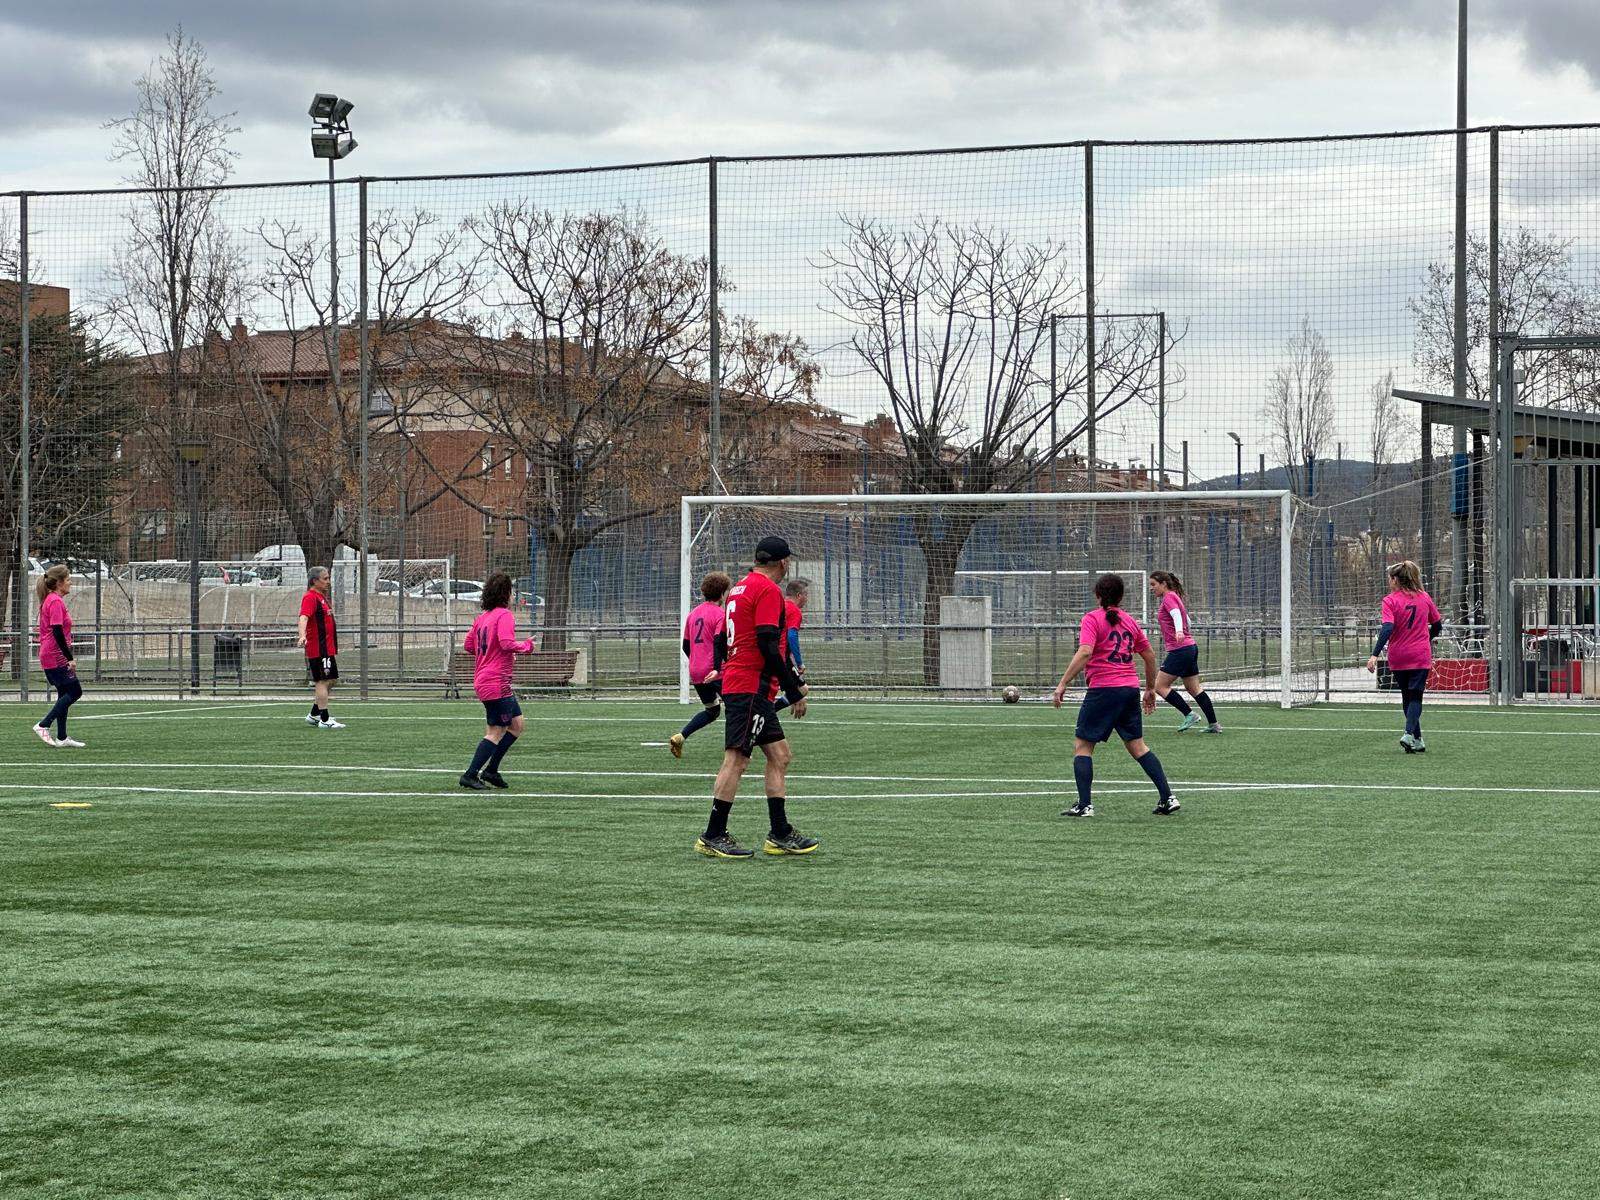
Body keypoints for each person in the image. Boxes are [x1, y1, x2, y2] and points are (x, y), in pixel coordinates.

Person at [695, 536, 817, 859]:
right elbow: (767, 643)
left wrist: (727, 668)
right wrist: (793, 689)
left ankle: (779, 832)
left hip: (749, 685)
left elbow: (722, 639)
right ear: (783, 562)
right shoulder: (767, 590)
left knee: (780, 755)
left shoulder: (738, 587)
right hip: (750, 686)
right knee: (737, 759)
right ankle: (713, 834)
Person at [1052, 573, 1180, 818]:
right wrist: (1150, 688)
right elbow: (1150, 655)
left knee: (1083, 746)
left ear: (1098, 596)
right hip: (1129, 689)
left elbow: (1085, 651)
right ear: (1120, 597)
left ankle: (1085, 805)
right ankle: (1168, 797)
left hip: (1104, 689)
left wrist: (1062, 683)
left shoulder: (1092, 618)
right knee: (1138, 747)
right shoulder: (1129, 620)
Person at [458, 573, 535, 790]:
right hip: (496, 681)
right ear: (505, 593)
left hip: (486, 679)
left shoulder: (482, 617)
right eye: (511, 591)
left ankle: (491, 771)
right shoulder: (505, 615)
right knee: (496, 731)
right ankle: (470, 775)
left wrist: (489, 653)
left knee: (517, 725)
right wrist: (526, 646)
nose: (513, 595)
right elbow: (507, 643)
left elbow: (469, 645)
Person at [1366, 560, 1443, 753]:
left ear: (1395, 580)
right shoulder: (1424, 597)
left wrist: (1374, 654)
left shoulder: (1390, 600)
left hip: (1399, 655)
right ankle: (1410, 735)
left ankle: (1416, 738)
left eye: (1390, 579)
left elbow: (1387, 627)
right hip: (1420, 655)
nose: (1389, 582)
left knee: (1407, 697)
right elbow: (1437, 625)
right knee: (1415, 696)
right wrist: (1425, 639)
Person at [1149, 571, 1221, 733]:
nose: (1151, 588)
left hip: (1180, 649)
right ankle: (1214, 725)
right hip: (1189, 647)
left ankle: (1189, 714)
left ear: (1163, 584)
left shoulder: (1169, 597)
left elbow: (1176, 615)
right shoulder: (1175, 597)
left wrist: (1180, 632)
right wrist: (1184, 631)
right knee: (1194, 688)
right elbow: (1186, 619)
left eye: (1153, 584)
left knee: (1160, 686)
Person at [670, 572, 732, 758]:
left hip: (696, 671)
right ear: (722, 593)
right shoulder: (720, 614)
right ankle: (735, 749)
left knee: (712, 710)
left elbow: (685, 645)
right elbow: (718, 642)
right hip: (716, 671)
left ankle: (681, 736)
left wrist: (698, 661)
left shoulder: (693, 614)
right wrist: (716, 667)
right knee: (735, 708)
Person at [32, 565, 85, 748]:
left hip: (52, 654)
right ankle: (43, 724)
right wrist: (69, 657)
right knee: (75, 692)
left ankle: (62, 738)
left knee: (64, 694)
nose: (71, 582)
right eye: (68, 579)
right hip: (55, 655)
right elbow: (57, 632)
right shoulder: (54, 601)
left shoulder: (53, 600)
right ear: (59, 583)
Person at [297, 566, 343, 729]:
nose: (328, 582)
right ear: (315, 581)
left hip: (327, 648)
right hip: (319, 648)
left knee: (331, 680)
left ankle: (314, 714)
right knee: (322, 681)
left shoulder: (321, 596)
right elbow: (303, 618)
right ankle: (324, 719)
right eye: (325, 578)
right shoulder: (310, 597)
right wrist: (302, 635)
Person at [773, 578, 809, 713]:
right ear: (799, 595)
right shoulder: (794, 610)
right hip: (781, 656)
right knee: (802, 689)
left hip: (769, 653)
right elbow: (791, 635)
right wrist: (799, 663)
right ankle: (769, 713)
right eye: (806, 595)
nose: (807, 599)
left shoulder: (778, 605)